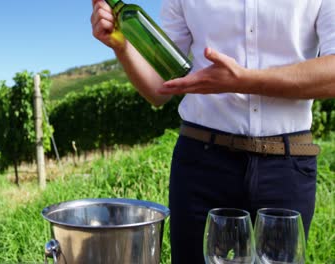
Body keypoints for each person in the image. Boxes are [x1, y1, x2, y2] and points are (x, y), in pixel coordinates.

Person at [91, 0, 335, 263]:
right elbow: (158, 88)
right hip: (202, 166)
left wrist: (243, 81)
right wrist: (123, 47)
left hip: (287, 168)